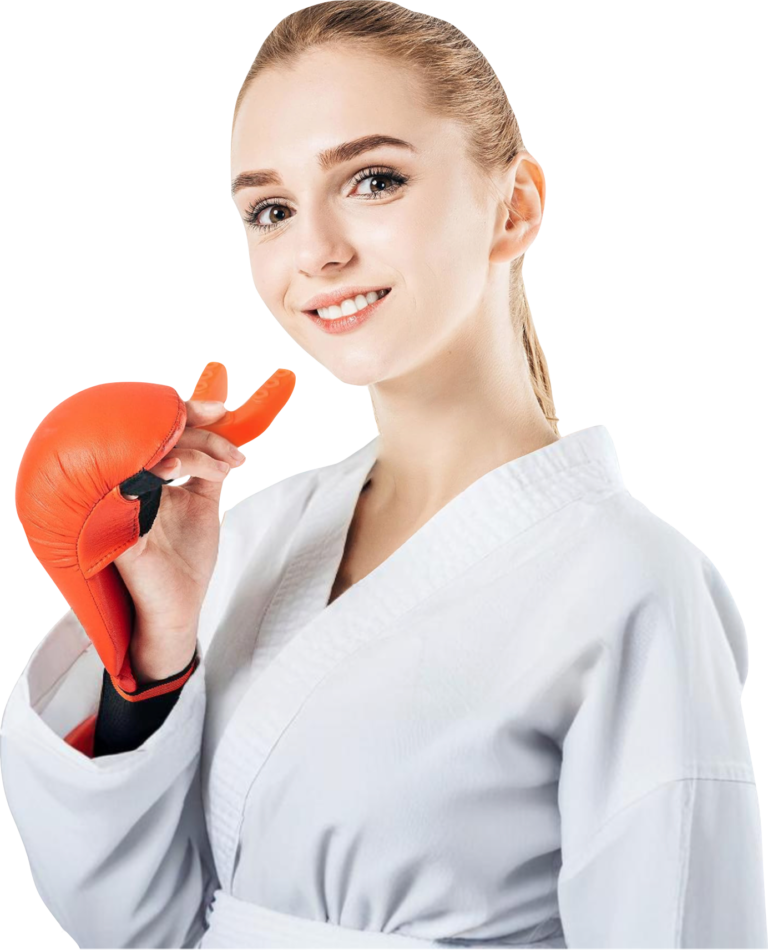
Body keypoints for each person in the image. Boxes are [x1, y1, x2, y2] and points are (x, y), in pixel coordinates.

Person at [2, 2, 764, 948]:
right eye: (271, 210)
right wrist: (155, 653)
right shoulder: (254, 539)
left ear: (515, 205)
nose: (316, 252)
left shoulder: (633, 584)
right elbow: (134, 926)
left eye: (373, 180)